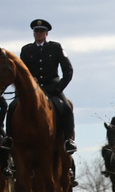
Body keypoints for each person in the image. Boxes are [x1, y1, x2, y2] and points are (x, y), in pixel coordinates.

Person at [19, 19, 76, 154]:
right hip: (32, 90)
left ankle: (68, 140)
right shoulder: (26, 50)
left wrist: (59, 88)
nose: (38, 34)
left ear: (46, 34)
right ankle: (10, 139)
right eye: (36, 31)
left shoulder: (56, 47)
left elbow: (68, 70)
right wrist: (29, 78)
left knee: (67, 107)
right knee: (13, 107)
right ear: (33, 34)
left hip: (53, 88)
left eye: (41, 32)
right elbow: (21, 72)